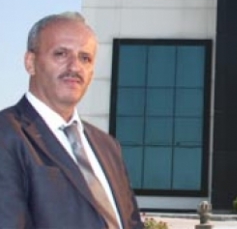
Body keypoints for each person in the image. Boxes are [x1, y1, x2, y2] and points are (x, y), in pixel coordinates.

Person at [0, 12, 143, 228]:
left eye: (85, 58)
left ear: (92, 72)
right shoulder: (6, 135)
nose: (75, 67)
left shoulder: (108, 146)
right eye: (61, 54)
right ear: (30, 63)